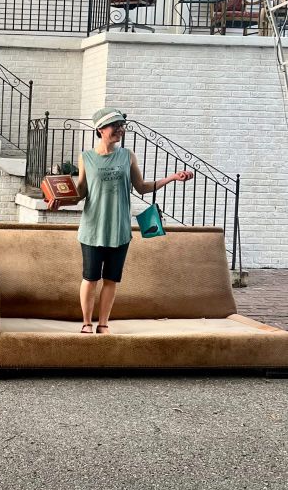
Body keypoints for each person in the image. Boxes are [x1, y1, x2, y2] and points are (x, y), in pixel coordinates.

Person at [48, 107, 194, 334]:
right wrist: (59, 202)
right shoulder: (86, 158)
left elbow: (142, 187)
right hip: (92, 229)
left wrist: (173, 178)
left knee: (111, 279)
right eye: (115, 126)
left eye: (121, 125)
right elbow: (81, 192)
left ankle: (103, 324)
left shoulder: (128, 156)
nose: (120, 129)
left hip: (120, 229)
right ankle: (86, 324)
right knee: (90, 278)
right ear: (100, 129)